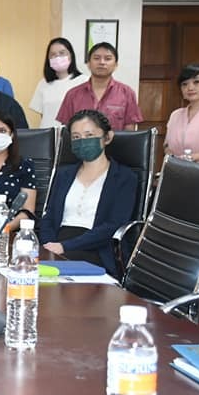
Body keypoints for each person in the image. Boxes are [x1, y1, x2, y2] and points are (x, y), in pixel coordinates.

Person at [40, 110, 137, 276]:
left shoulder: (124, 177)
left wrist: (65, 247)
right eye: (76, 137)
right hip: (57, 243)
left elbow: (113, 225)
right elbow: (49, 216)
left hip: (97, 248)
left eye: (89, 135)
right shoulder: (64, 174)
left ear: (107, 137)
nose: (82, 141)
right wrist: (48, 244)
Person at [55, 42, 142, 131]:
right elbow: (66, 130)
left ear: (116, 65)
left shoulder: (127, 93)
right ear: (88, 64)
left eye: (108, 59)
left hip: (115, 141)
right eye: (96, 58)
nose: (102, 62)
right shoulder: (72, 94)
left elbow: (129, 131)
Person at [29, 37, 86, 128]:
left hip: (72, 133)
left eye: (62, 53)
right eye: (53, 54)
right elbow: (43, 114)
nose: (58, 57)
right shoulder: (43, 83)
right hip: (47, 133)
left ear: (71, 55)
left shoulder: (84, 81)